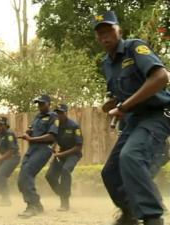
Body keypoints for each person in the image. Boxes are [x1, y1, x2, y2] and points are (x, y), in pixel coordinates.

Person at [94, 11, 170, 225]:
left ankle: (152, 217)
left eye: (108, 30)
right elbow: (120, 92)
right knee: (110, 173)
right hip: (135, 119)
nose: (104, 36)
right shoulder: (106, 63)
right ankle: (129, 215)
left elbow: (161, 77)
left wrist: (124, 106)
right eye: (100, 33)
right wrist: (114, 101)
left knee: (131, 157)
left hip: (159, 113)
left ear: (119, 30)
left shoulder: (134, 47)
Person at [17, 94, 58, 218]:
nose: (40, 106)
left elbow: (52, 136)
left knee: (27, 172)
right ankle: (37, 205)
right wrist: (27, 133)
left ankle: (32, 206)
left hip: (44, 149)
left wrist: (32, 138)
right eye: (38, 104)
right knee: (20, 179)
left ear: (48, 104)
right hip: (32, 149)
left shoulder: (53, 117)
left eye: (42, 103)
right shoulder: (37, 117)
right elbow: (30, 130)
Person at [45, 104, 83, 211]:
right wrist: (52, 146)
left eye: (61, 113)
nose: (58, 115)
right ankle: (63, 194)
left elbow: (78, 147)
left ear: (66, 113)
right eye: (57, 113)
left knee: (65, 170)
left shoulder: (74, 126)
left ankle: (65, 202)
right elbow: (54, 139)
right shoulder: (56, 125)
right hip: (61, 154)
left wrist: (61, 154)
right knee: (49, 176)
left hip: (73, 154)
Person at [0, 116, 20, 206]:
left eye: (1, 125)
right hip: (5, 158)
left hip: (13, 157)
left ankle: (6, 199)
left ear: (6, 125)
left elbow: (12, 150)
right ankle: (3, 197)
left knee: (1, 176)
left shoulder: (9, 134)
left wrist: (0, 158)